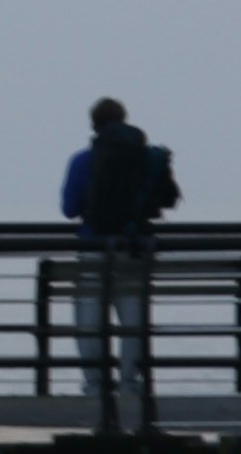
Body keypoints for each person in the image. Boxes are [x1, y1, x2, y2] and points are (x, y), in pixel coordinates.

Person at [59, 94, 179, 431]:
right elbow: (163, 199)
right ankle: (129, 382)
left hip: (95, 245)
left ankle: (95, 383)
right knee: (132, 318)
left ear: (93, 125)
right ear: (125, 120)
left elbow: (69, 209)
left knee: (89, 317)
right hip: (133, 246)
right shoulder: (143, 158)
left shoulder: (82, 161)